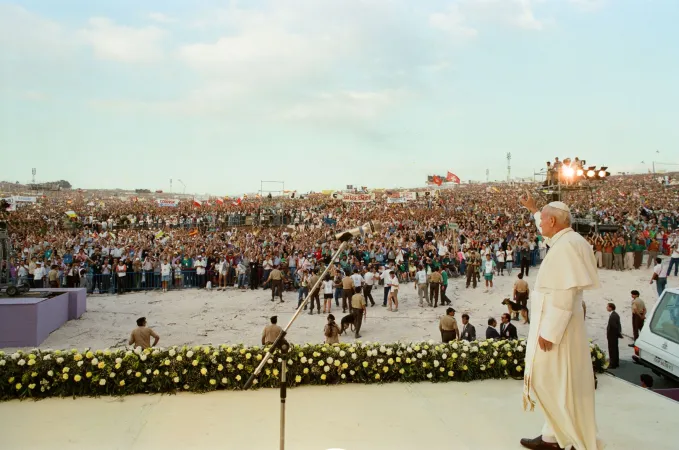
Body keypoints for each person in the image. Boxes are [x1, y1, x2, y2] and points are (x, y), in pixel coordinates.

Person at [519, 193, 602, 450]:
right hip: (560, 324)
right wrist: (534, 209)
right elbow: (546, 235)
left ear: (553, 221)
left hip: (558, 330)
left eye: (543, 220)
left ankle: (572, 439)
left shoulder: (566, 247)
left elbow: (565, 294)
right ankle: (551, 437)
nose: (540, 225)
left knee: (551, 381)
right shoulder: (567, 240)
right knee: (554, 382)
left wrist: (549, 332)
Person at [606, 303, 622, 369]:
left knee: (612, 349)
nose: (606, 308)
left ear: (610, 308)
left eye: (607, 307)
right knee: (615, 349)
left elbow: (615, 326)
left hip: (612, 335)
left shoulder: (613, 316)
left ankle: (612, 364)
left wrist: (617, 333)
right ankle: (616, 362)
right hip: (614, 335)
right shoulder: (615, 314)